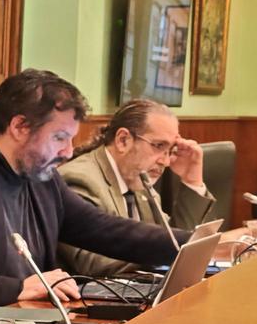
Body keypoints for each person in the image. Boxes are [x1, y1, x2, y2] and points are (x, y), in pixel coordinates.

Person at [0, 69, 190, 306]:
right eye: (60, 137)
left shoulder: (40, 177)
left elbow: (105, 230)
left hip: (24, 323)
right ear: (19, 127)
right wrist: (16, 288)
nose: (68, 151)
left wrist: (189, 244)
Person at [57, 99, 215, 276]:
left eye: (170, 150)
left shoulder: (138, 178)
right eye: (158, 146)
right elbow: (93, 262)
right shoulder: (79, 179)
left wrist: (192, 181)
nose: (165, 161)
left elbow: (174, 243)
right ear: (123, 140)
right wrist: (162, 253)